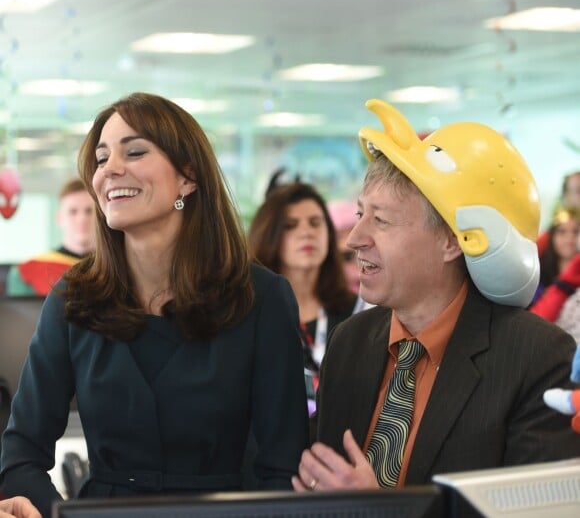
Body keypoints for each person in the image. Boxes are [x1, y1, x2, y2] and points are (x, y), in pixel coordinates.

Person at [0, 92, 308, 517]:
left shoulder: (262, 298)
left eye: (135, 151)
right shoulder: (73, 297)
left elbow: (283, 470)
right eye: (102, 158)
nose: (110, 170)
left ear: (188, 178)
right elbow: (20, 455)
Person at [292, 99, 580, 494]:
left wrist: (377, 511)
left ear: (451, 240)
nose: (355, 240)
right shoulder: (350, 342)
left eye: (381, 220)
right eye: (360, 215)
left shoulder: (538, 359)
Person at [247, 182, 357, 395]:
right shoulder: (249, 313)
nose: (307, 233)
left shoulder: (356, 310)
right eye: (291, 225)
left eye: (316, 223)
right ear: (268, 235)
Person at [6, 178, 95, 296]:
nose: (82, 219)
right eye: (73, 212)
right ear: (59, 218)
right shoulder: (25, 272)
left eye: (89, 211)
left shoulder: (117, 268)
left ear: (101, 217)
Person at [531, 208, 579, 304]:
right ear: (552, 236)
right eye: (562, 231)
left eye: (575, 232)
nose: (570, 237)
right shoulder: (538, 271)